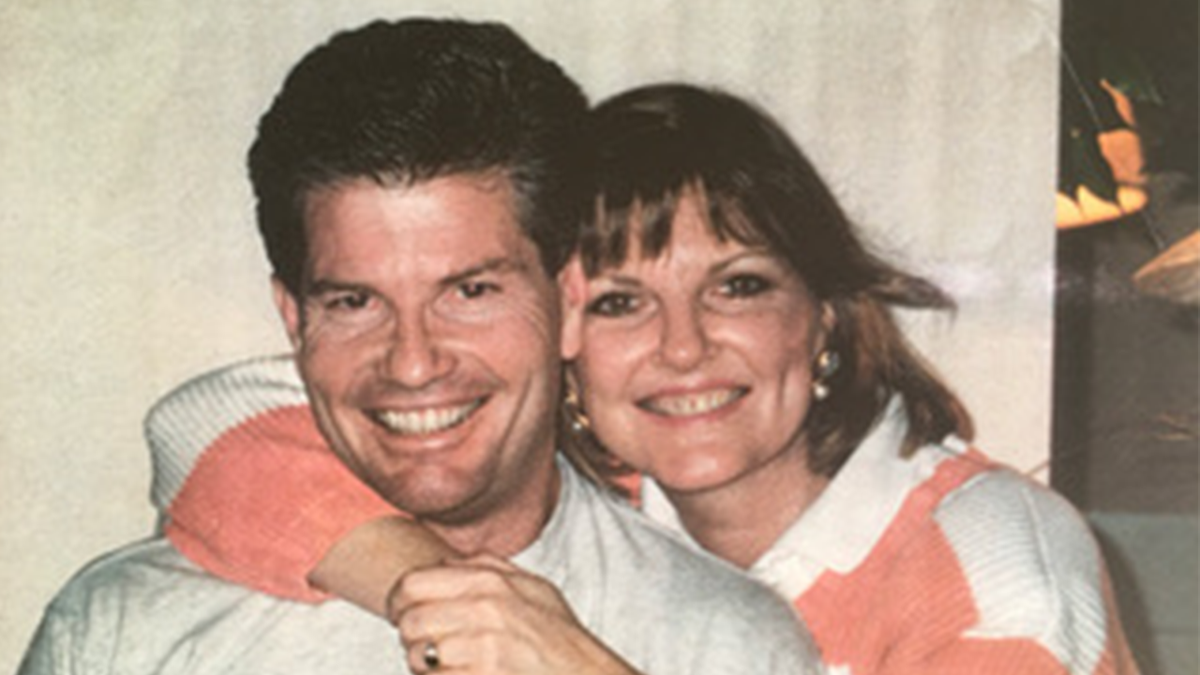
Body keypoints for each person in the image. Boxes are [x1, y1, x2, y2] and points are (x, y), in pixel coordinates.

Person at [119, 84, 1136, 674]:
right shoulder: (614, 494)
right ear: (556, 330)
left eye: (736, 286)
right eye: (618, 302)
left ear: (823, 310)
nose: (682, 348)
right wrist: (431, 594)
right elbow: (212, 424)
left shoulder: (992, 565)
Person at [17, 20, 824, 675]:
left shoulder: (729, 646)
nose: (412, 362)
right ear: (294, 322)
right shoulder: (123, 630)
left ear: (569, 300)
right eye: (355, 301)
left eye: (470, 291)